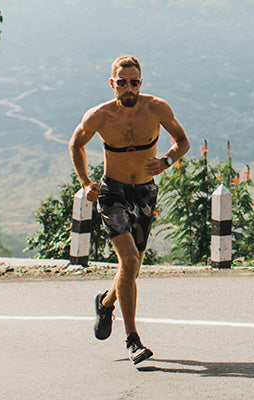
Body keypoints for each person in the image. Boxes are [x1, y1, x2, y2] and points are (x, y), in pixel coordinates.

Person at [69, 55, 190, 365]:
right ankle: (133, 339)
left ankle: (105, 303)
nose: (128, 88)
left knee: (131, 269)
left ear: (141, 82)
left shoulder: (157, 108)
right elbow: (76, 144)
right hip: (112, 193)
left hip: (146, 192)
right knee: (130, 259)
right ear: (112, 84)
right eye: (121, 82)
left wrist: (166, 161)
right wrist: (85, 183)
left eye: (134, 82)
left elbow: (183, 141)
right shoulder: (100, 116)